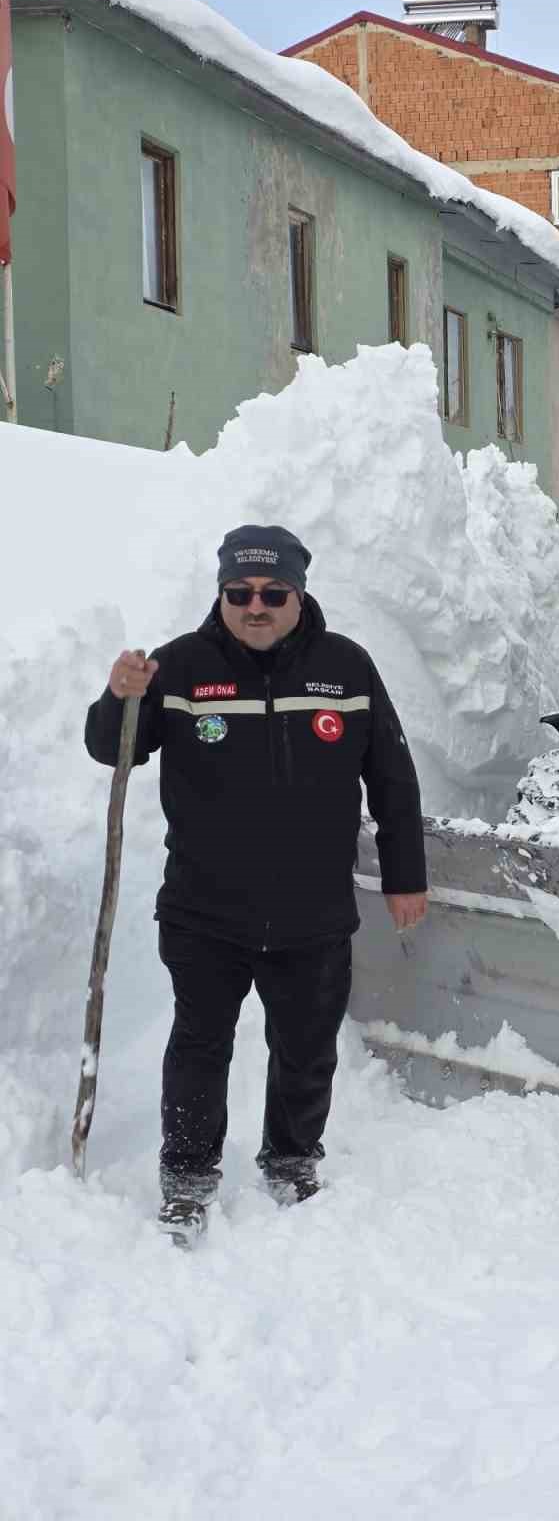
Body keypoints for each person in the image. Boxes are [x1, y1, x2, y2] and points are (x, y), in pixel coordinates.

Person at [85, 524, 427, 1241]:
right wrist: (119, 698)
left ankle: (293, 1160)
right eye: (239, 593)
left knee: (306, 1049)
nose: (255, 606)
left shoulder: (347, 668)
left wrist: (405, 876)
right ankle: (187, 1176)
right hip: (204, 910)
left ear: (299, 594)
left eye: (273, 593)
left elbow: (392, 778)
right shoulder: (179, 667)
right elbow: (111, 748)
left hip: (314, 911)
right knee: (199, 1046)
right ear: (221, 594)